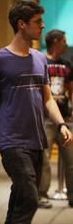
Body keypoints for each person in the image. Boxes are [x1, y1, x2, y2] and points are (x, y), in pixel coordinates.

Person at [0, 0, 73, 224]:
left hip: (37, 139)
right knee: (31, 198)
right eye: (37, 22)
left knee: (19, 203)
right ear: (21, 25)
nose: (43, 26)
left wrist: (62, 123)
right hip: (12, 141)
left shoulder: (39, 58)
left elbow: (47, 98)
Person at [38, 29, 73, 208]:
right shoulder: (42, 62)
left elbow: (70, 88)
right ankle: (42, 193)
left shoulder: (66, 64)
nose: (66, 44)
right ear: (55, 42)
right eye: (63, 41)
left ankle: (72, 195)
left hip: (65, 116)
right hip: (46, 117)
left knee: (70, 158)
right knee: (44, 157)